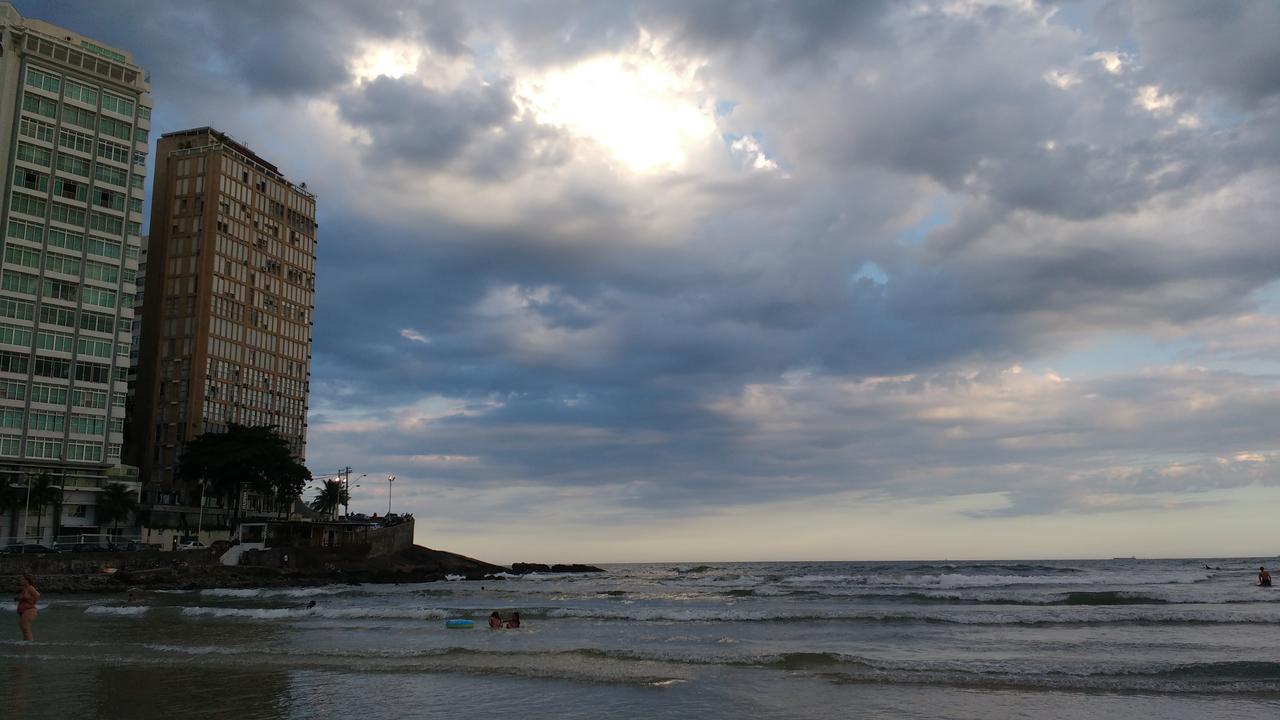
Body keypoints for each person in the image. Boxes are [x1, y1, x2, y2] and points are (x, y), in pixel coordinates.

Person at [15, 575, 39, 641]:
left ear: (27, 580)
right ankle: (25, 642)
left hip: (29, 610)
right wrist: (18, 598)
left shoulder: (30, 588)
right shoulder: (24, 588)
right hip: (23, 610)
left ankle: (30, 643)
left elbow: (37, 595)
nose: (21, 580)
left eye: (22, 579)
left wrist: (32, 603)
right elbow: (24, 597)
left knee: (25, 627)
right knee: (22, 626)